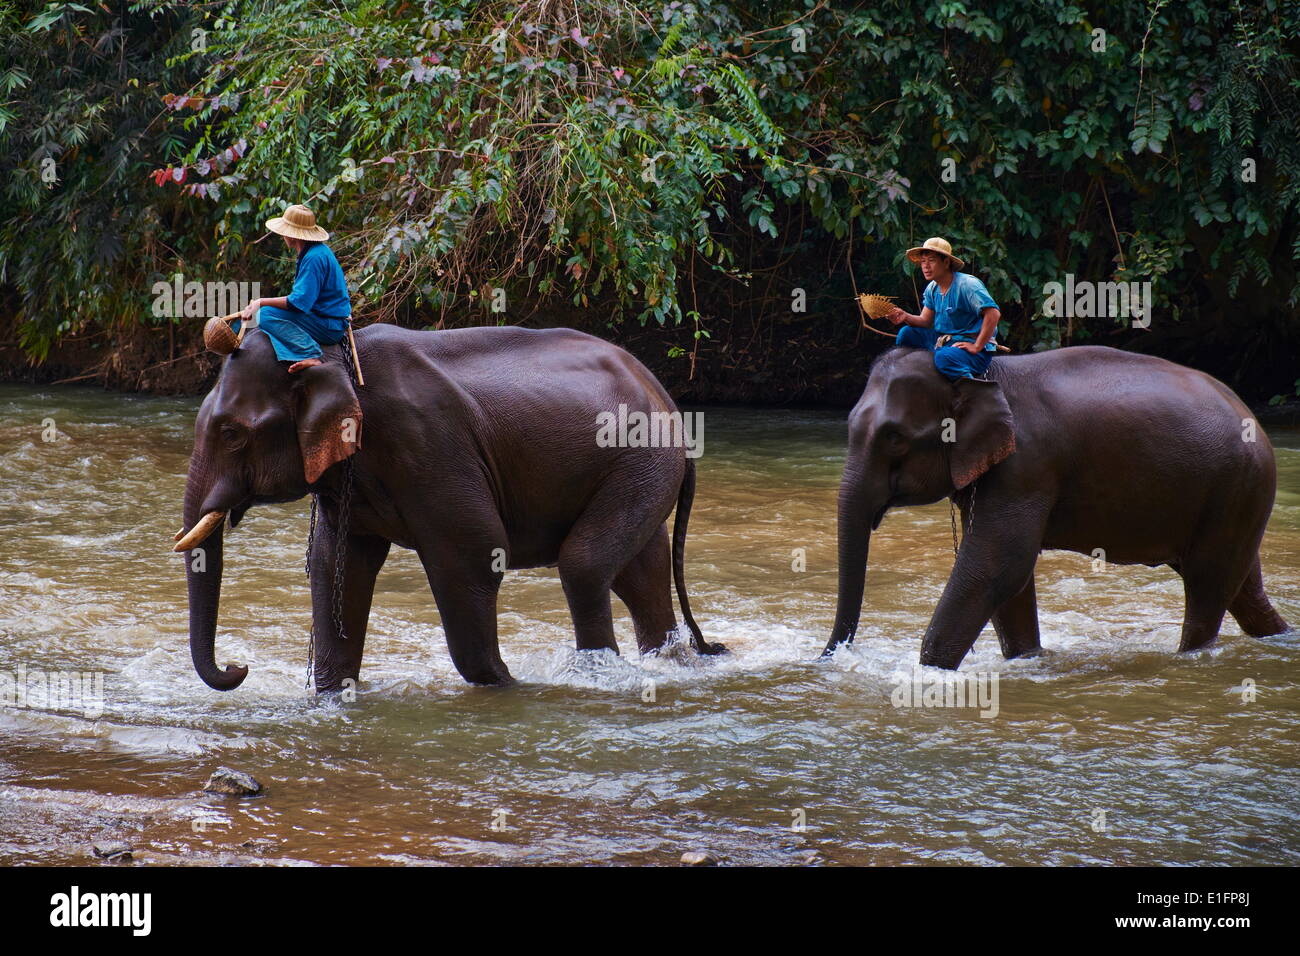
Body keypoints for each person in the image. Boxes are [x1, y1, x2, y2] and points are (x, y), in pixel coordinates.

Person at [236, 204, 352, 373]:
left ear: (292, 235)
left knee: (264, 315)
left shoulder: (313, 258)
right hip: (324, 316)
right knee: (266, 310)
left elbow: (299, 303)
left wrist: (260, 302)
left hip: (329, 325)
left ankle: (309, 353)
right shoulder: (316, 251)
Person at [886, 237, 1001, 380]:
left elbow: (993, 314)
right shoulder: (932, 288)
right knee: (905, 333)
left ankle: (972, 390)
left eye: (932, 260)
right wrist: (905, 316)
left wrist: (977, 346)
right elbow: (925, 321)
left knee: (943, 358)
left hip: (971, 348)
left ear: (946, 262)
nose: (926, 266)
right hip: (943, 342)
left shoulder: (967, 285)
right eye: (923, 261)